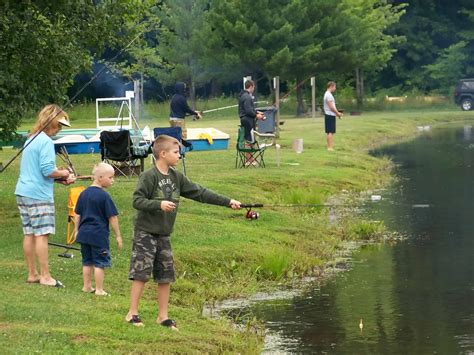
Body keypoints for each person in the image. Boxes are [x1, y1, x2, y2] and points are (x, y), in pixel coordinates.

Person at [125, 135, 241, 329]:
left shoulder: (176, 177)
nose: (180, 155)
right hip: (145, 232)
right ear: (163, 154)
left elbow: (200, 192)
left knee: (166, 275)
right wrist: (158, 204)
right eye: (176, 152)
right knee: (141, 273)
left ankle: (163, 317)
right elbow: (137, 201)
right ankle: (132, 313)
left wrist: (228, 201)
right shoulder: (149, 176)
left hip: (164, 234)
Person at [15, 104, 76, 288]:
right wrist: (65, 174)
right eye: (58, 125)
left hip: (23, 192)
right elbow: (48, 170)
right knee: (42, 235)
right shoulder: (46, 142)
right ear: (50, 121)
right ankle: (46, 276)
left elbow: (37, 171)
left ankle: (32, 274)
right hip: (38, 195)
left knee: (29, 233)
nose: (58, 130)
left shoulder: (31, 138)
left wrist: (59, 179)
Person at [74, 162, 123, 296]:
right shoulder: (104, 196)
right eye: (110, 177)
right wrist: (118, 235)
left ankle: (87, 286)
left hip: (84, 234)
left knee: (87, 261)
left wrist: (76, 231)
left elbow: (77, 214)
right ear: (100, 177)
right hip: (98, 235)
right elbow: (112, 217)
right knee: (99, 263)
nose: (112, 180)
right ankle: (99, 289)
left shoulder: (83, 194)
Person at [238, 79, 265, 166]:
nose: (254, 88)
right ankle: (249, 160)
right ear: (251, 86)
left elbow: (248, 109)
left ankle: (250, 160)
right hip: (247, 120)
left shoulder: (243, 96)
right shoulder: (247, 97)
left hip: (245, 119)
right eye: (253, 87)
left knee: (249, 139)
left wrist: (257, 112)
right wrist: (257, 116)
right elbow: (248, 111)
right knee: (249, 139)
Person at [323, 81, 343, 151]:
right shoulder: (328, 95)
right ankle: (330, 147)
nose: (335, 88)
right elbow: (331, 107)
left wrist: (337, 113)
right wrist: (337, 113)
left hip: (328, 114)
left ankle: (329, 147)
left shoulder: (327, 94)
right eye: (334, 87)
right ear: (331, 86)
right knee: (330, 132)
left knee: (329, 132)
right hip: (330, 115)